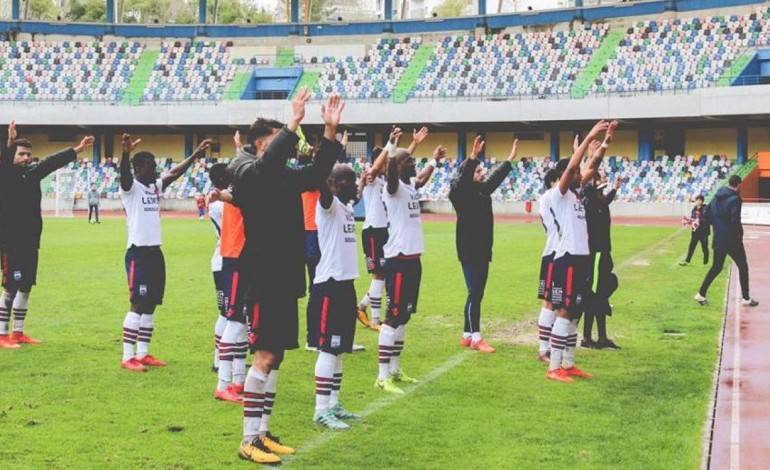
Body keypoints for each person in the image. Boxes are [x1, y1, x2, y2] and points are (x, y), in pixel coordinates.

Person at [228, 89, 343, 465]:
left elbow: (317, 173)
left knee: (275, 355)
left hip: (285, 277)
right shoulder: (245, 169)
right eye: (281, 139)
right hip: (262, 277)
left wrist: (329, 131)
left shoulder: (282, 175)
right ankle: (248, 440)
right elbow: (263, 169)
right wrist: (293, 123)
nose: (291, 146)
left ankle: (262, 432)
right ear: (263, 144)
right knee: (263, 356)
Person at [119, 134, 212, 371]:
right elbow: (124, 175)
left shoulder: (153, 187)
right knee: (137, 303)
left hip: (155, 253)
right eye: (151, 167)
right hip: (138, 253)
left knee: (151, 304)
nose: (155, 171)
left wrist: (196, 153)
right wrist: (126, 153)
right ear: (139, 169)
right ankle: (127, 357)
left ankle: (143, 353)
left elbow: (175, 173)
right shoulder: (130, 189)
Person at [0, 121, 94, 349]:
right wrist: (10, 142)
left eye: (28, 154)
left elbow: (52, 162)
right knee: (10, 287)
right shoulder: (6, 175)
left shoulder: (32, 174)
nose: (26, 158)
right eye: (21, 154)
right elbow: (5, 161)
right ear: (12, 155)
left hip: (31, 241)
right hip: (11, 243)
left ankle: (18, 332)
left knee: (26, 286)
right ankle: (1, 334)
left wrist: (77, 149)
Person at [546, 120, 614, 383]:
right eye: (576, 172)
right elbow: (575, 167)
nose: (582, 174)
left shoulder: (575, 194)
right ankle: (554, 367)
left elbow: (592, 166)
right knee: (564, 313)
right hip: (567, 260)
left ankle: (569, 363)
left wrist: (605, 143)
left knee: (574, 313)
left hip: (581, 259)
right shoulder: (559, 195)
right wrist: (588, 139)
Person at [375, 139, 444, 394]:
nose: (414, 163)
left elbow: (422, 178)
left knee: (404, 316)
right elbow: (392, 175)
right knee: (392, 317)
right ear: (398, 166)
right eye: (410, 161)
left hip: (414, 261)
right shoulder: (392, 188)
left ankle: (395, 369)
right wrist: (393, 153)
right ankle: (382, 376)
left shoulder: (410, 185)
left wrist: (434, 160)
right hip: (398, 260)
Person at [449, 135, 518, 354]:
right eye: (478, 171)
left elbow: (495, 179)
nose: (483, 173)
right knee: (474, 293)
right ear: (469, 174)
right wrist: (472, 157)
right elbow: (464, 181)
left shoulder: (481, 191)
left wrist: (509, 160)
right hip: (470, 251)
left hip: (482, 250)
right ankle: (476, 338)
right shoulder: (460, 193)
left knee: (476, 293)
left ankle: (466, 334)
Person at [357, 126, 428, 330]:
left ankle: (362, 307)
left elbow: (402, 162)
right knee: (379, 274)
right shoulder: (371, 177)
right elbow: (385, 164)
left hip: (385, 231)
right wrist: (390, 145)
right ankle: (375, 319)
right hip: (372, 230)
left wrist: (414, 143)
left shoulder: (391, 180)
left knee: (384, 274)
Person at [309, 163, 362, 430]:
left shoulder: (347, 207)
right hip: (329, 285)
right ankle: (321, 410)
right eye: (349, 181)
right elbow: (323, 185)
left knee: (340, 348)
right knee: (328, 349)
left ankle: (333, 403)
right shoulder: (327, 206)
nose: (355, 185)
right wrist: (321, 160)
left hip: (345, 283)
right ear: (332, 183)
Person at [695, 176, 758, 307]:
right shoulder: (735, 199)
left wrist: (714, 228)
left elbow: (706, 215)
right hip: (732, 239)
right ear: (739, 185)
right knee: (743, 266)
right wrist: (739, 234)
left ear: (729, 183)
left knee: (716, 267)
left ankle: (701, 294)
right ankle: (746, 298)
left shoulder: (716, 196)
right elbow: (735, 219)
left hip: (718, 237)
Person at [582, 171, 621, 350]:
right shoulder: (591, 203)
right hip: (596, 255)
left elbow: (605, 200)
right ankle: (587, 338)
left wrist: (614, 189)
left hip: (603, 254)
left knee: (602, 295)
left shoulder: (600, 203)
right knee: (594, 296)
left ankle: (602, 338)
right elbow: (594, 195)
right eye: (602, 177)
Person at [536, 168, 560, 362]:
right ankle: (544, 349)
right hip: (553, 253)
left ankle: (552, 346)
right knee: (550, 301)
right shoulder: (549, 197)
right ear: (553, 182)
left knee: (559, 302)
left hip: (562, 253)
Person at [679, 195, 710, 266]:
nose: (698, 202)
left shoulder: (706, 209)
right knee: (692, 246)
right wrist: (688, 221)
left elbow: (707, 219)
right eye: (697, 200)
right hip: (695, 231)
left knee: (704, 247)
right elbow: (693, 219)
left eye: (700, 200)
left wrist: (699, 221)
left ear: (702, 201)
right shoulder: (694, 209)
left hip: (703, 231)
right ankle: (687, 261)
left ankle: (705, 263)